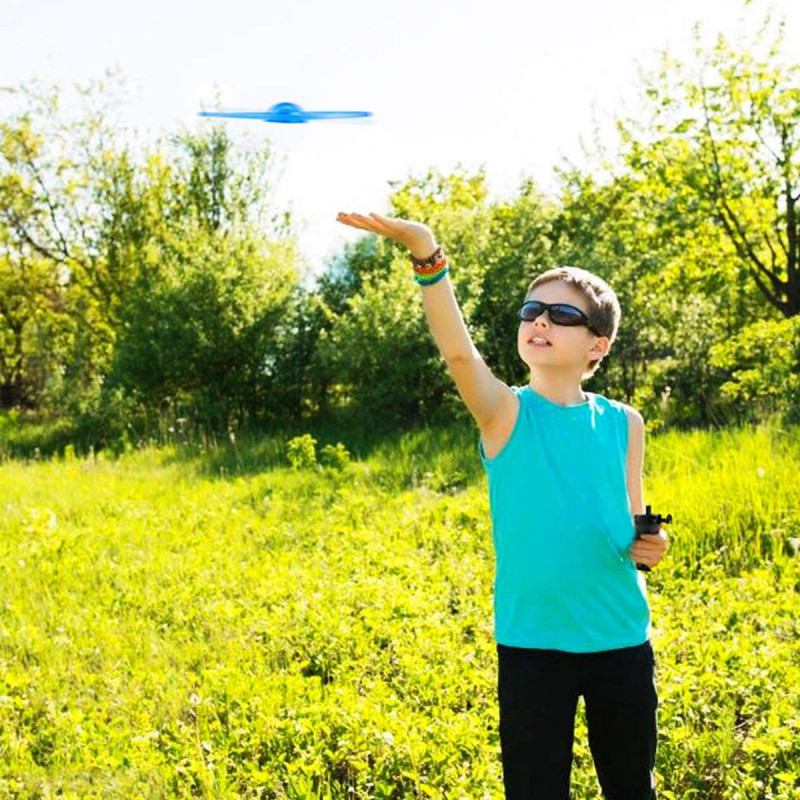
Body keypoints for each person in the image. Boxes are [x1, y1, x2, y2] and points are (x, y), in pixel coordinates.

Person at [335, 211, 670, 800]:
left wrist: (652, 545)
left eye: (562, 314)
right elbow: (461, 358)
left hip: (620, 638)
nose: (540, 320)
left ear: (598, 343)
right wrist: (426, 256)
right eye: (531, 311)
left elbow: (635, 535)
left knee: (630, 786)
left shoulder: (625, 422)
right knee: (536, 789)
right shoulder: (505, 413)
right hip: (534, 643)